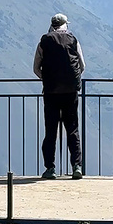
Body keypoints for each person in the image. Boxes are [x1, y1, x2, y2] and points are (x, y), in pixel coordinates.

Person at [32, 13, 85, 180]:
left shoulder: (44, 41)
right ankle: (76, 166)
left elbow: (35, 68)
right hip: (70, 92)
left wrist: (47, 79)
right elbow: (82, 66)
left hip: (51, 92)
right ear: (65, 25)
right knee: (72, 129)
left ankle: (50, 169)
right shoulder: (73, 40)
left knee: (51, 131)